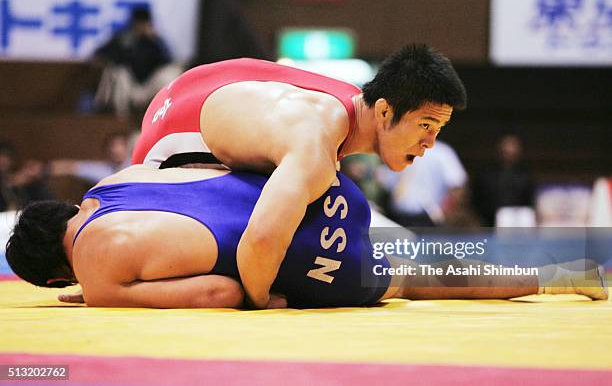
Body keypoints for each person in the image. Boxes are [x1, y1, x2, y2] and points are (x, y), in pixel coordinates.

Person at [131, 44, 467, 308]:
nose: (430, 143)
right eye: (425, 125)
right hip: (162, 152)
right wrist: (260, 300)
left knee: (394, 251)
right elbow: (261, 239)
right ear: (383, 110)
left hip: (192, 88)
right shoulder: (314, 145)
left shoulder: (346, 100)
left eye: (438, 129)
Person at [5, 166, 607, 309]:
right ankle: (562, 263)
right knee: (415, 252)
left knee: (417, 282)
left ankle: (563, 276)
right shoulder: (116, 181)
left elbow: (218, 292)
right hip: (318, 192)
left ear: (59, 276)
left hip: (302, 255)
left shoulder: (96, 272)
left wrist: (105, 290)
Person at [92, 6, 183, 117]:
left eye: (144, 23)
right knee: (120, 72)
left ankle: (166, 114)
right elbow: (100, 53)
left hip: (148, 85)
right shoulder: (123, 37)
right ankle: (121, 117)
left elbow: (168, 60)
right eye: (139, 23)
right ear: (134, 23)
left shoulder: (154, 40)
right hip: (129, 85)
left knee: (170, 74)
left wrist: (154, 41)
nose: (141, 26)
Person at [377, 140, 469, 227]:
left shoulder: (442, 152)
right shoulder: (400, 150)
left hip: (429, 217)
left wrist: (444, 211)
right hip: (399, 217)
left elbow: (457, 186)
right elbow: (385, 180)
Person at [49, 132, 131, 185]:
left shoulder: (136, 166)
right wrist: (44, 169)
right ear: (106, 150)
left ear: (128, 147)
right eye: (112, 146)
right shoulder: (102, 169)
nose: (115, 150)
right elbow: (72, 167)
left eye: (121, 145)